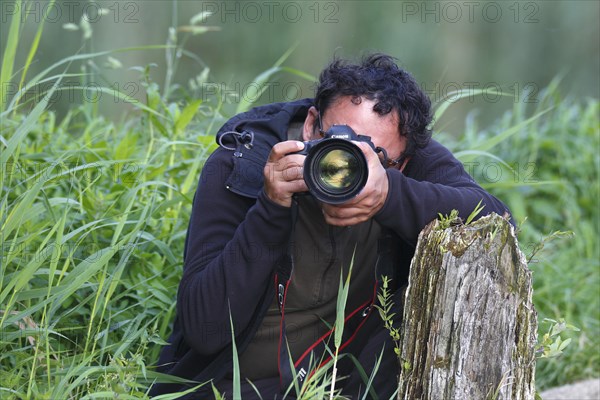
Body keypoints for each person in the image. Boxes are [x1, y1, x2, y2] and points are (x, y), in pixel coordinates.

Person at [150, 53, 512, 399]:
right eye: (336, 142)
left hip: (345, 387)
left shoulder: (406, 159)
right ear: (310, 125)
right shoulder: (242, 164)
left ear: (402, 162)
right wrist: (271, 207)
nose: (343, 163)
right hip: (228, 388)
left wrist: (390, 195)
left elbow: (498, 224)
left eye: (372, 156)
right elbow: (204, 329)